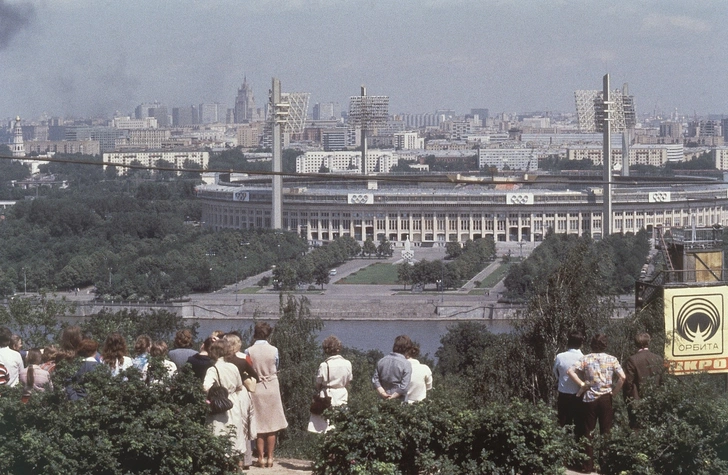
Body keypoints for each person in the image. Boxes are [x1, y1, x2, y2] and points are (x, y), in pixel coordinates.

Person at [568, 333, 625, 473]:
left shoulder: (585, 358)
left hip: (589, 399)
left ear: (592, 344)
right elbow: (622, 377)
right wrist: (614, 392)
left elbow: (570, 371)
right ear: (605, 345)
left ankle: (587, 466)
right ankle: (605, 466)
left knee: (588, 431)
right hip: (606, 398)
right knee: (606, 431)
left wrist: (582, 383)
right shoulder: (612, 359)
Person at [245, 322, 288, 468]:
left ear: (255, 333)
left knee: (259, 424)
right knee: (272, 424)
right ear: (268, 334)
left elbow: (247, 368)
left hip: (256, 387)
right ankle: (271, 457)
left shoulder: (248, 351)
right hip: (271, 386)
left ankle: (260, 458)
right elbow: (277, 365)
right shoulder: (274, 350)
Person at [203, 339, 246, 468]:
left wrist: (213, 393)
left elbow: (205, 386)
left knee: (219, 435)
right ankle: (237, 468)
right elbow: (239, 386)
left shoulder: (213, 369)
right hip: (233, 402)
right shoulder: (233, 367)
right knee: (235, 438)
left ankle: (221, 468)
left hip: (219, 404)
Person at [223, 333, 258, 469]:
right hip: (240, 393)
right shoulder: (243, 360)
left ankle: (228, 457)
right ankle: (244, 459)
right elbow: (256, 377)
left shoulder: (221, 360)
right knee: (243, 427)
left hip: (225, 394)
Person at [308, 335, 353, 433]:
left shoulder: (324, 365)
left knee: (325, 426)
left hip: (326, 396)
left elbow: (318, 383)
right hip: (342, 393)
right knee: (339, 424)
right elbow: (348, 381)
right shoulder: (347, 363)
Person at [623, 332, 664, 429]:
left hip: (637, 400)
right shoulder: (658, 358)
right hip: (656, 399)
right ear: (648, 343)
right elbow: (663, 380)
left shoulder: (632, 359)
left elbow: (628, 382)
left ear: (636, 344)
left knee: (638, 429)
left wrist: (628, 399)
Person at [553, 331, 585, 432]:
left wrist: (560, 379)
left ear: (568, 342)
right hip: (579, 395)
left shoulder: (560, 357)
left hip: (563, 393)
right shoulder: (584, 358)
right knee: (579, 424)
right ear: (581, 344)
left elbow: (555, 372)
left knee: (563, 423)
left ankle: (563, 444)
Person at [372, 334, 413, 400]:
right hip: (399, 402)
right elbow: (404, 387)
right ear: (407, 349)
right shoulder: (406, 364)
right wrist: (392, 397)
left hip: (382, 400)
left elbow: (375, 380)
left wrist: (383, 393)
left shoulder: (381, 361)